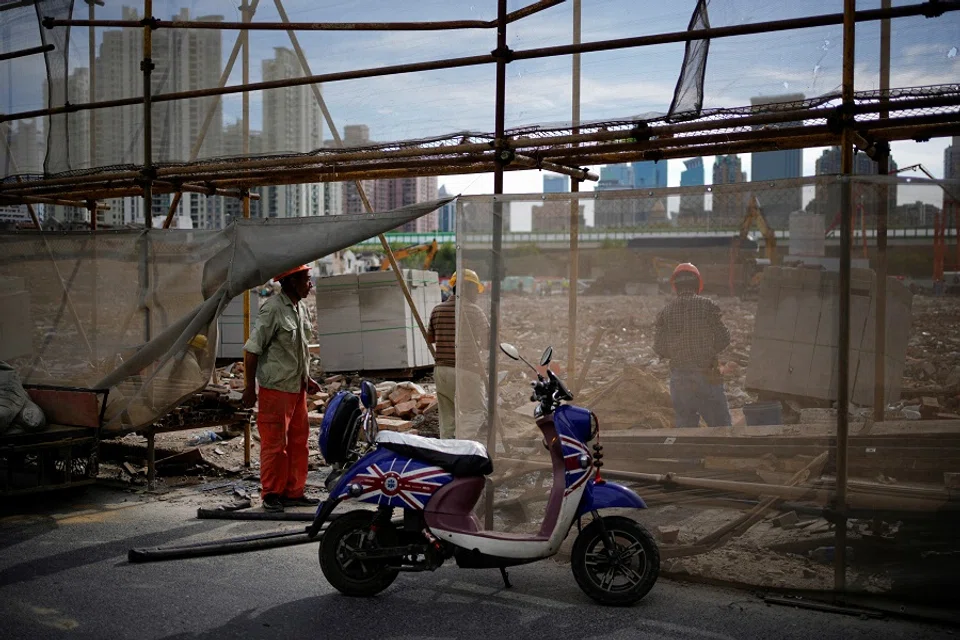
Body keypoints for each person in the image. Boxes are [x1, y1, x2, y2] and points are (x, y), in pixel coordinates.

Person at [242, 264, 321, 512]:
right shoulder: (273, 310)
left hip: (296, 388)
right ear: (290, 282)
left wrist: (307, 378)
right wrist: (248, 389)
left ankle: (294, 491)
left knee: (299, 442)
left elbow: (300, 349)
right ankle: (272, 493)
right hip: (275, 389)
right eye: (307, 279)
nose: (310, 284)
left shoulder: (301, 309)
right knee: (275, 444)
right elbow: (252, 350)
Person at [653, 263, 732, 428]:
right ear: (697, 283)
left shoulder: (666, 311)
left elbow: (659, 346)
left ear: (675, 285)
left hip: (680, 378)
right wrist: (708, 352)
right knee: (721, 428)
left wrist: (677, 352)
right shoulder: (708, 306)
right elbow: (724, 337)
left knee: (685, 427)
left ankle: (688, 454)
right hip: (706, 375)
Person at [427, 268, 489, 439]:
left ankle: (447, 451)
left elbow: (430, 338)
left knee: (447, 416)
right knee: (474, 411)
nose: (477, 294)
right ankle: (463, 445)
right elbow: (487, 343)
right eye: (476, 290)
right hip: (466, 370)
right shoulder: (475, 312)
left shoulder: (437, 310)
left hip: (442, 371)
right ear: (468, 289)